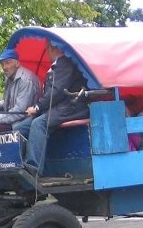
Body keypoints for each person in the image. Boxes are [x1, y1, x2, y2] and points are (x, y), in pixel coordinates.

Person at [13, 42, 89, 173]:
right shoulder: (57, 66)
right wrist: (39, 108)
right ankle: (16, 163)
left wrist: (37, 107)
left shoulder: (65, 63)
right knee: (19, 128)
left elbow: (57, 91)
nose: (47, 52)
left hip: (71, 107)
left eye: (47, 49)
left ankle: (33, 167)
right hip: (58, 108)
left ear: (53, 49)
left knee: (38, 124)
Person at [0, 47, 40, 136]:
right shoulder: (10, 78)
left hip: (24, 122)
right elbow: (10, 100)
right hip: (13, 120)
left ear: (17, 63)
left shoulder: (26, 80)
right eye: (2, 64)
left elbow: (20, 111)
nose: (4, 67)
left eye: (8, 62)